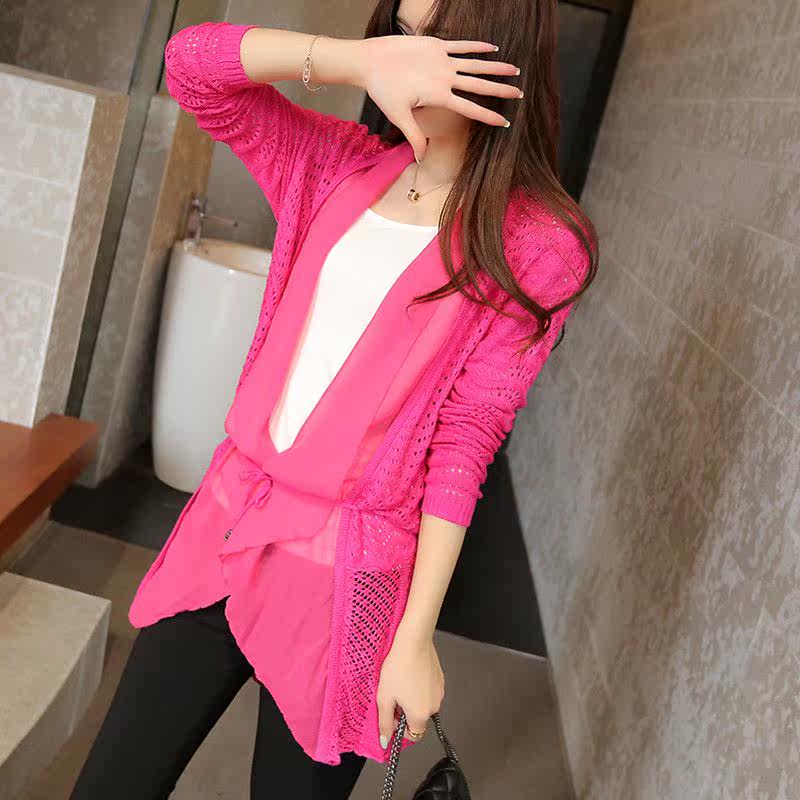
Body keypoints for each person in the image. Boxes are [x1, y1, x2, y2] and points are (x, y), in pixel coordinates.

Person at [70, 1, 597, 798]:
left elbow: (467, 439)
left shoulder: (538, 243)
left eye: (435, 44)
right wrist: (354, 60)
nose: (407, 64)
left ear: (499, 55)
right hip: (226, 530)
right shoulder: (334, 161)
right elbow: (191, 65)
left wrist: (415, 636)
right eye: (401, 37)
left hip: (345, 583)